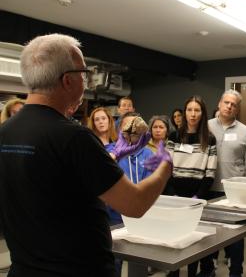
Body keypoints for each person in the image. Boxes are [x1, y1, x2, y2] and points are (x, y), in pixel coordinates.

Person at [0, 34, 172, 276]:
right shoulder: (74, 137)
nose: (86, 82)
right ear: (68, 80)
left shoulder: (4, 132)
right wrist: (165, 165)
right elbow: (134, 204)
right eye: (83, 74)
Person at [206, 89, 246, 277]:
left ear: (237, 109)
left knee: (235, 237)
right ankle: (208, 269)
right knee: (209, 234)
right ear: (219, 104)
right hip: (208, 189)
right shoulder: (206, 126)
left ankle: (236, 271)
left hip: (235, 193)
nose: (229, 106)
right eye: (226, 102)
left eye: (233, 104)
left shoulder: (245, 132)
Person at [165, 95, 217, 277]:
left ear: (202, 113)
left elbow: (210, 173)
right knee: (174, 239)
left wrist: (198, 197)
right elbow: (166, 169)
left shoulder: (209, 139)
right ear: (184, 112)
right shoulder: (174, 136)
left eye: (197, 110)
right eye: (189, 110)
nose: (193, 114)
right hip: (175, 197)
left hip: (197, 197)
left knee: (194, 242)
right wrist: (173, 195)